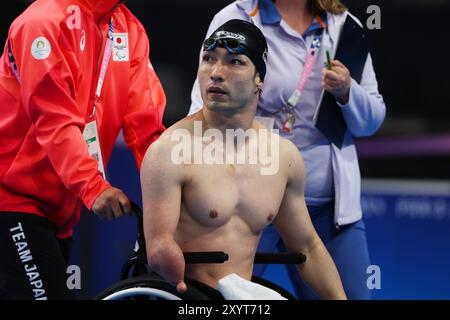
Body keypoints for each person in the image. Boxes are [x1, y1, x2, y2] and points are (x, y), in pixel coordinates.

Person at [188, 0, 386, 300]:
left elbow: (369, 123)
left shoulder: (343, 24)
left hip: (327, 208)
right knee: (217, 300)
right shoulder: (236, 17)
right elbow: (202, 106)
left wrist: (348, 92)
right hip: (249, 203)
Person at [141, 19, 346, 300]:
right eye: (208, 59)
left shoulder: (282, 158)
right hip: (185, 297)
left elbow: (307, 248)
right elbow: (159, 247)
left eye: (234, 62)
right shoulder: (169, 151)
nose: (216, 72)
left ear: (258, 79)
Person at [0, 0, 165, 300]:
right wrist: (92, 186)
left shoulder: (130, 30)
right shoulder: (42, 22)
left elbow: (146, 128)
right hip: (12, 202)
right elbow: (54, 120)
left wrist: (176, 194)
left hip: (60, 214)